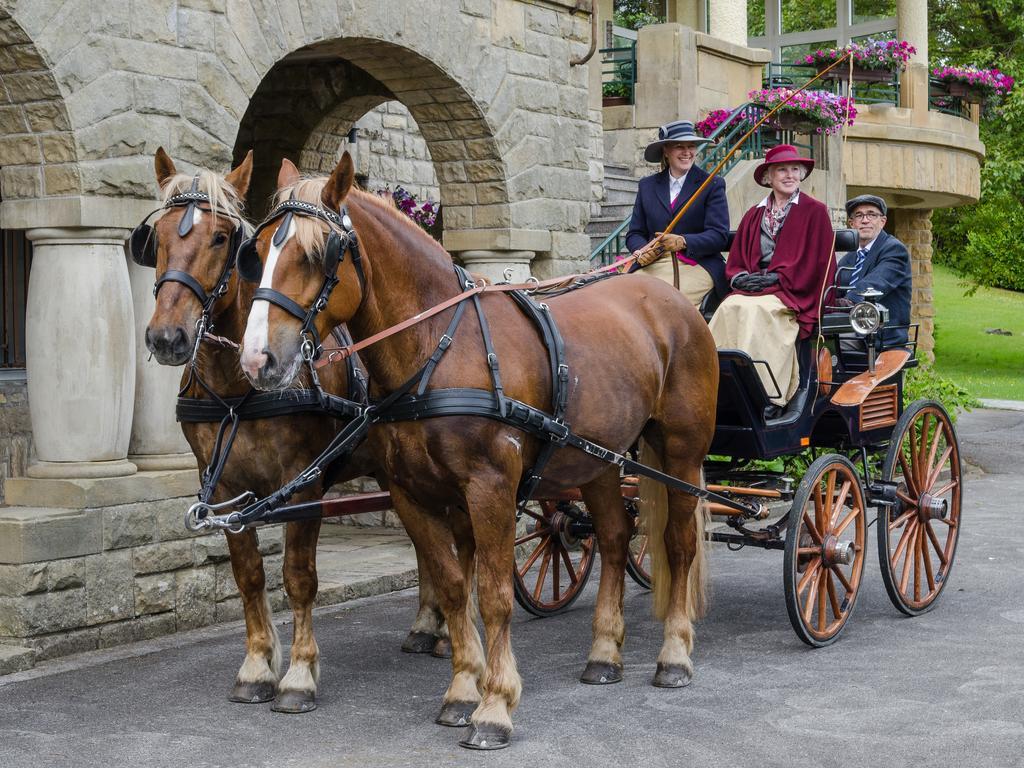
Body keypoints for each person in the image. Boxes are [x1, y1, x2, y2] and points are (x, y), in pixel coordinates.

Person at [708, 144, 836, 413]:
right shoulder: (755, 213)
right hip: (754, 289)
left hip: (792, 292)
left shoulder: (815, 211)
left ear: (801, 175)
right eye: (781, 170)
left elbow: (820, 263)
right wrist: (741, 278)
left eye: (793, 170)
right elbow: (737, 258)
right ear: (769, 177)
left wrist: (777, 279)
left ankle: (766, 395)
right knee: (729, 308)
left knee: (759, 313)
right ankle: (717, 388)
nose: (789, 175)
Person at [626, 120, 730, 307]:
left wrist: (684, 241)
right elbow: (635, 233)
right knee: (623, 297)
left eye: (691, 146)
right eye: (679, 146)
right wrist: (641, 251)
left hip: (697, 264)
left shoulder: (712, 185)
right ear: (666, 151)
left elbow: (719, 236)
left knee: (666, 302)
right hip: (653, 264)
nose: (687, 152)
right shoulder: (647, 186)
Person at [838, 194, 912, 349]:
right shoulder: (847, 260)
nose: (865, 220)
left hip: (880, 336)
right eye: (859, 215)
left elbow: (877, 282)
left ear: (882, 221)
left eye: (872, 214)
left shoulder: (894, 250)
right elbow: (833, 290)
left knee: (831, 347)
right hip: (849, 330)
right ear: (852, 223)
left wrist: (848, 301)